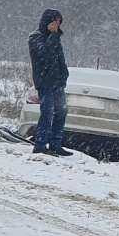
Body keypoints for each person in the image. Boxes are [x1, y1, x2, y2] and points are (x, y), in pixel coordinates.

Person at [28, 9, 73, 156]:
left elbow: (60, 59)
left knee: (61, 112)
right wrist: (53, 36)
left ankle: (55, 144)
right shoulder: (36, 37)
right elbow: (45, 56)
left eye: (59, 22)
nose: (57, 24)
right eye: (55, 21)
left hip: (57, 82)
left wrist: (64, 75)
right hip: (45, 82)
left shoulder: (56, 38)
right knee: (47, 113)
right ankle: (40, 145)